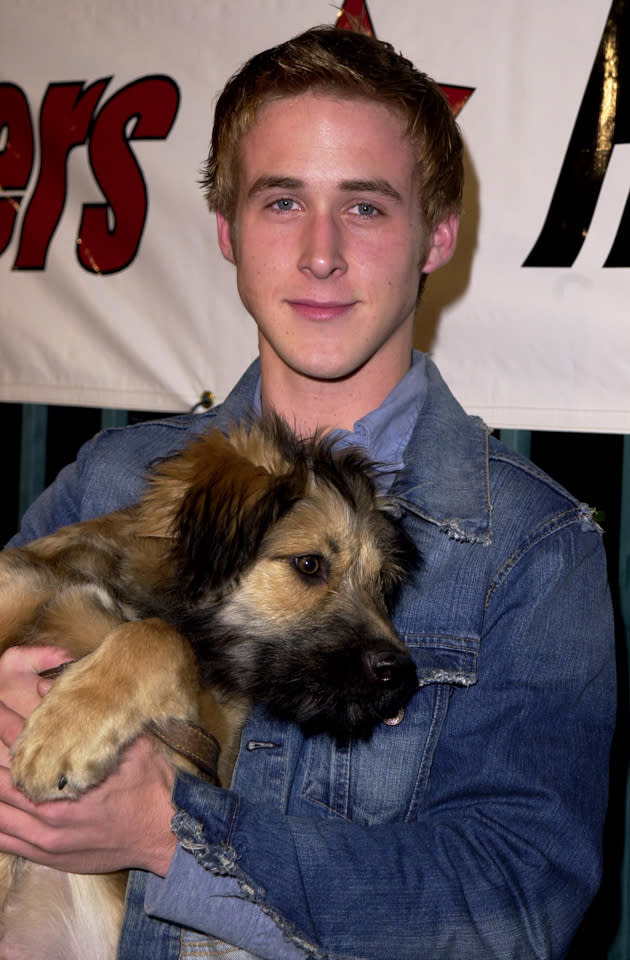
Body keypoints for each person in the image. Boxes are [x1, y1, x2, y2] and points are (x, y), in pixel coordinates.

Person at [0, 25, 616, 960]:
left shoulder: (532, 549)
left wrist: (173, 837)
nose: (320, 253)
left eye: (365, 208)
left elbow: (518, 906)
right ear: (227, 231)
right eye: (281, 201)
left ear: (436, 235)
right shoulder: (114, 475)